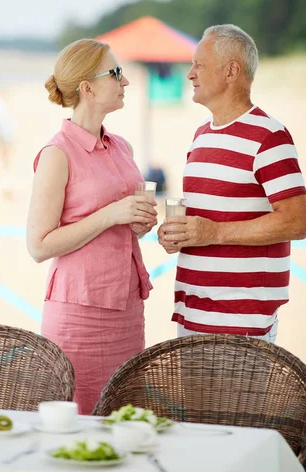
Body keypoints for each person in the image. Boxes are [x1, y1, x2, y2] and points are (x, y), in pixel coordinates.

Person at [26, 39, 158, 414]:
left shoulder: (123, 148)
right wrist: (110, 215)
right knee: (76, 422)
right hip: (79, 315)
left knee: (126, 416)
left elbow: (124, 226)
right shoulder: (57, 154)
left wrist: (140, 223)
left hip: (127, 310)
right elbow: (38, 245)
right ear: (87, 88)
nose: (125, 81)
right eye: (116, 73)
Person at [158, 24, 306, 343]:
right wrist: (176, 234)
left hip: (242, 318)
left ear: (231, 71)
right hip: (191, 311)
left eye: (199, 64)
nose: (190, 74)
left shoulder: (270, 137)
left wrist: (215, 232)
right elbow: (205, 216)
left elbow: (298, 221)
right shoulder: (201, 135)